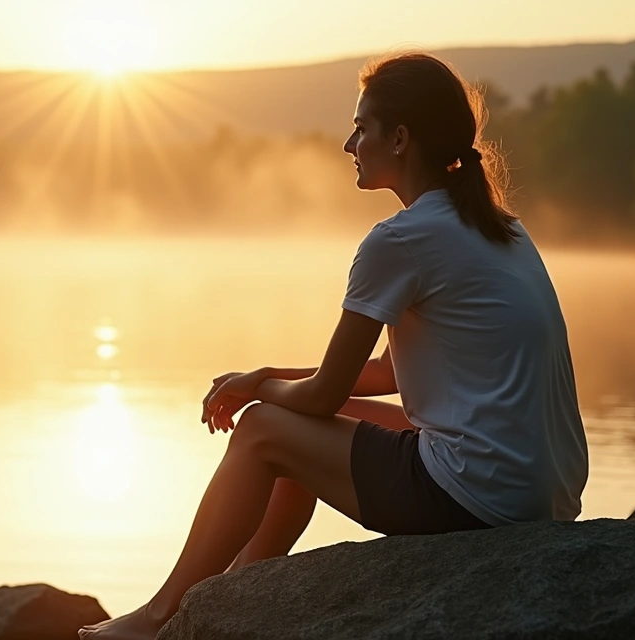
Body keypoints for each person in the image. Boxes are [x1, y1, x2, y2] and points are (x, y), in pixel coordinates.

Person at [78, 51, 589, 639]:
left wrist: (259, 389)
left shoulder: (401, 239)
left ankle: (158, 617)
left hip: (479, 497)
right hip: (541, 494)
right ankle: (234, 593)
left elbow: (321, 396)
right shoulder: (501, 228)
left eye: (360, 128)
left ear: (399, 139)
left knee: (263, 429)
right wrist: (266, 375)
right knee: (299, 424)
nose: (349, 144)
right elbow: (387, 373)